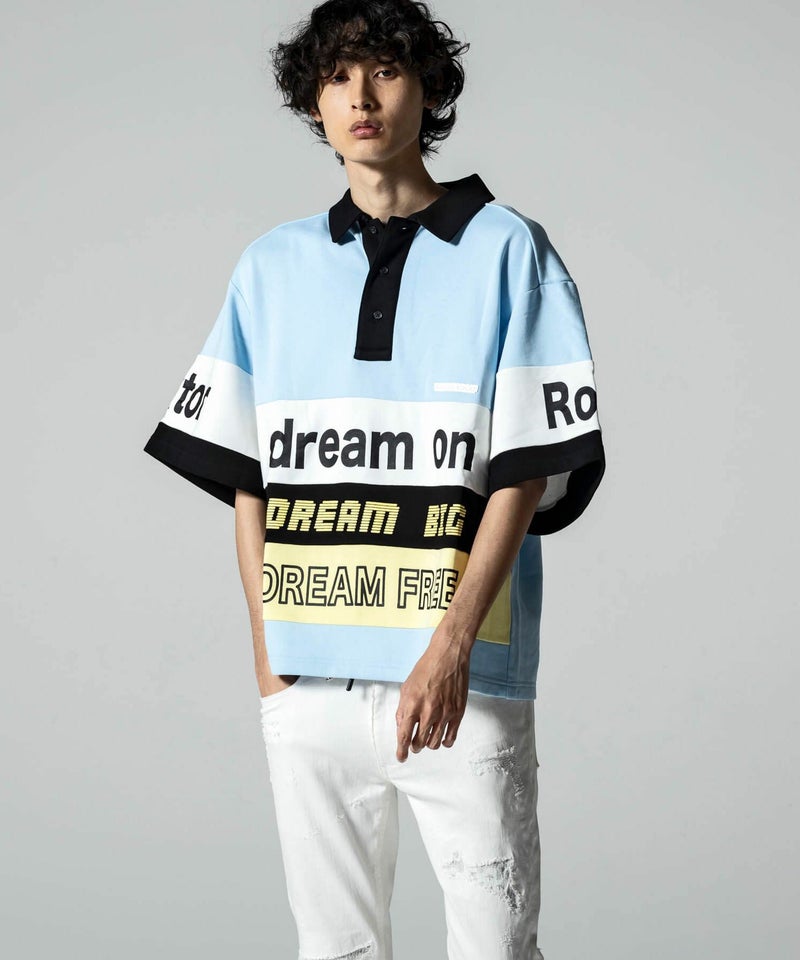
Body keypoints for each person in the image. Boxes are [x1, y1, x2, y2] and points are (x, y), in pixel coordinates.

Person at [143, 1, 605, 956]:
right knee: (335, 949)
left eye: (386, 71)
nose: (360, 96)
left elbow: (522, 472)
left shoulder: (508, 249)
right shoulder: (271, 267)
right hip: (310, 683)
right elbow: (248, 476)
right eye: (338, 76)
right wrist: (269, 657)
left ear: (427, 90)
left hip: (463, 680)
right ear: (313, 100)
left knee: (496, 947)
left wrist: (450, 648)